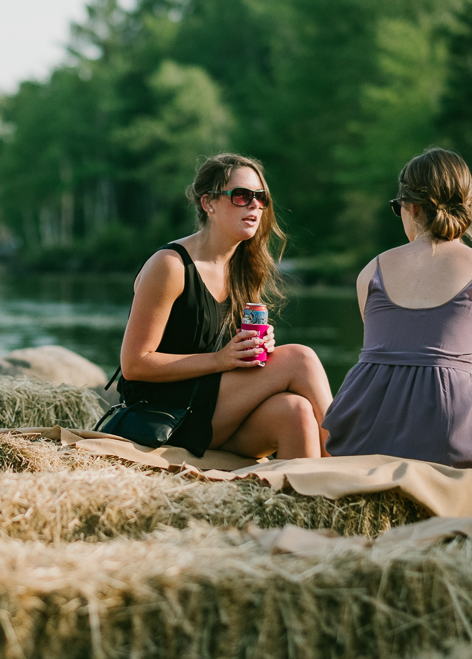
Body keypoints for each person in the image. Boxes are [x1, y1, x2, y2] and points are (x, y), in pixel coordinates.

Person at [323, 147, 472, 479]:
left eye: (397, 208)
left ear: (412, 207)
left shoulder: (370, 272)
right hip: (448, 439)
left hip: (364, 434)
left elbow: (391, 363)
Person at [115, 153, 333, 460]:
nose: (255, 205)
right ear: (209, 204)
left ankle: (313, 502)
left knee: (294, 411)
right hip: (165, 414)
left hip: (212, 409)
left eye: (261, 197)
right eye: (242, 196)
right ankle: (348, 463)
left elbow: (228, 358)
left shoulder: (243, 268)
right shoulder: (170, 266)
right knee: (300, 358)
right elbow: (134, 364)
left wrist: (253, 348)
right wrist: (220, 360)